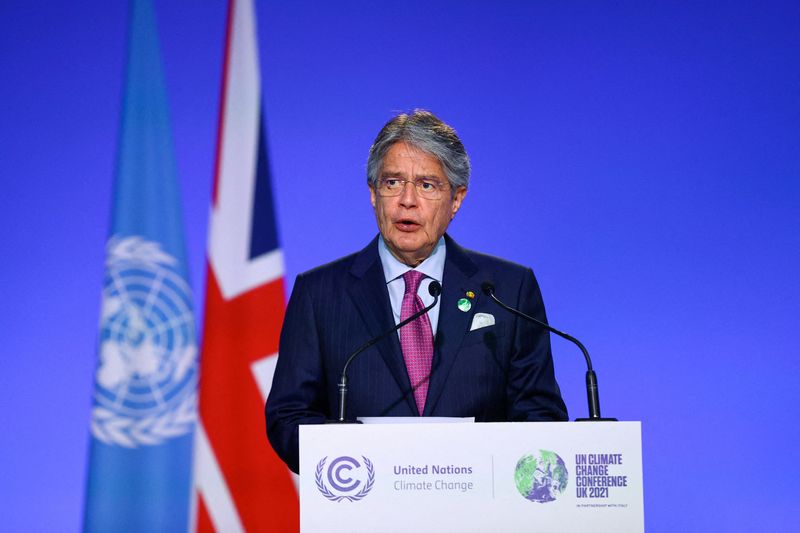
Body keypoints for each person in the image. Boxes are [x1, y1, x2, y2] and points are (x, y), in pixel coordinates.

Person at [266, 110, 567, 474]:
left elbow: (540, 415)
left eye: (427, 185)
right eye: (393, 182)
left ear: (456, 199)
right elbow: (288, 416)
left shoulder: (508, 290)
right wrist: (360, 458)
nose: (407, 200)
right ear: (373, 194)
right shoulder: (319, 294)